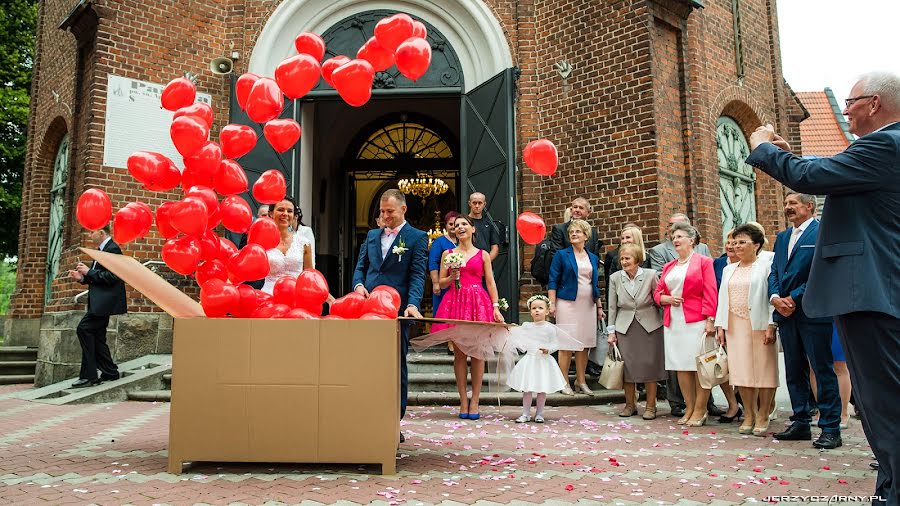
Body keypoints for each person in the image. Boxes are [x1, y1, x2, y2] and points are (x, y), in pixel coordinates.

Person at [747, 71, 900, 501]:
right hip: (876, 293)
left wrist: (762, 147)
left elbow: (815, 178)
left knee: (885, 406)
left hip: (873, 294)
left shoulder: (886, 143)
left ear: (874, 103)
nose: (846, 109)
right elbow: (830, 171)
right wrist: (789, 155)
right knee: (878, 406)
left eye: (851, 102)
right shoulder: (883, 150)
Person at [763, 192, 843, 448]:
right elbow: (774, 270)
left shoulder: (822, 232)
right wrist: (775, 297)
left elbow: (823, 273)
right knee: (794, 370)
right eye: (785, 204)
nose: (788, 207)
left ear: (810, 206)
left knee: (821, 370)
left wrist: (793, 298)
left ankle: (831, 427)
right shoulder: (783, 237)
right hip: (785, 314)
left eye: (793, 203)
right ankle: (800, 422)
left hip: (812, 312)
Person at [353, 189, 428, 441]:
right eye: (382, 212)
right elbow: (361, 267)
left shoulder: (417, 238)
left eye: (389, 212)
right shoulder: (372, 235)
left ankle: (395, 421)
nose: (384, 216)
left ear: (403, 210)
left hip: (397, 311)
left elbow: (418, 274)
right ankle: (367, 417)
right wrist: (358, 286)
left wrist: (413, 303)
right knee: (366, 363)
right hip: (368, 309)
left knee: (396, 365)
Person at [432, 215, 505, 419]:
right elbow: (441, 283)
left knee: (478, 354)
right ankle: (463, 400)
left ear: (473, 230)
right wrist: (451, 277)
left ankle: (475, 401)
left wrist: (496, 307)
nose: (460, 227)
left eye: (464, 224)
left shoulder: (483, 255)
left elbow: (490, 283)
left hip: (478, 303)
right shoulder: (448, 254)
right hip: (455, 302)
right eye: (456, 226)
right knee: (460, 354)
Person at [648, 213, 719, 418]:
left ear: (691, 240)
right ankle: (689, 408)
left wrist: (710, 319)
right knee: (681, 366)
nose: (675, 240)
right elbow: (657, 291)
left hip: (696, 321)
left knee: (698, 367)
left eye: (679, 236)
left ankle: (700, 409)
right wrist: (664, 299)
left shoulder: (703, 262)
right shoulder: (669, 266)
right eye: (673, 236)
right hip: (674, 322)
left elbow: (710, 292)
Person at [714, 224, 778, 436]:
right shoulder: (728, 268)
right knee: (741, 372)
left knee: (764, 370)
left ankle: (763, 414)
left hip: (759, 323)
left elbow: (772, 298)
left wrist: (772, 323)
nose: (736, 246)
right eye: (734, 242)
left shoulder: (767, 265)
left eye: (742, 242)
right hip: (735, 324)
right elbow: (723, 300)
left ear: (757, 245)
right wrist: (721, 326)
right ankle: (749, 413)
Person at [606, 243, 665, 419]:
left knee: (650, 366)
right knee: (628, 368)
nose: (624, 262)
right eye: (622, 259)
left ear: (637, 259)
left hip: (649, 325)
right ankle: (630, 405)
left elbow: (658, 300)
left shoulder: (651, 275)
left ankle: (651, 406)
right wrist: (611, 331)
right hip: (625, 326)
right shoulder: (615, 278)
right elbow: (612, 306)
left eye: (627, 258)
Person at [507, 295, 583, 423]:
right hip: (530, 360)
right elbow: (521, 341)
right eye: (534, 308)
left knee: (542, 389)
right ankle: (525, 413)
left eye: (540, 308)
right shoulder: (527, 326)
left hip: (544, 361)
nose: (537, 310)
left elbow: (555, 343)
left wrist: (549, 349)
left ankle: (539, 414)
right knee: (527, 388)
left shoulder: (549, 328)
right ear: (530, 311)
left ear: (547, 311)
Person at [67, 225, 126, 388]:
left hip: (104, 303)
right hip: (99, 302)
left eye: (92, 232)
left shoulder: (112, 249)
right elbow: (98, 276)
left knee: (83, 329)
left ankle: (89, 376)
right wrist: (81, 278)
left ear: (102, 233)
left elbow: (114, 276)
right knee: (98, 337)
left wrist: (88, 272)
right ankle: (110, 372)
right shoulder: (102, 249)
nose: (90, 234)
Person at [548, 219, 602, 396]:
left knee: (584, 344)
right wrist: (552, 303)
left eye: (578, 231)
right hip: (567, 304)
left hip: (588, 305)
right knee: (566, 344)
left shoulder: (593, 257)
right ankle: (564, 382)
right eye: (571, 231)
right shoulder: (562, 255)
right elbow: (553, 280)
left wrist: (599, 306)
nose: (573, 234)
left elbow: (595, 284)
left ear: (586, 235)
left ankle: (581, 381)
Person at [261, 198, 314, 295]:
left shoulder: (304, 243)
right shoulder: (261, 241)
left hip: (296, 297)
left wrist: (331, 300)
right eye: (281, 210)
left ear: (294, 216)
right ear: (270, 214)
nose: (285, 214)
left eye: (289, 211)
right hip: (269, 296)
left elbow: (310, 277)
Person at [428, 211, 460, 316]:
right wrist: (436, 283)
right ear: (445, 225)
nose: (453, 227)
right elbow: (433, 263)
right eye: (450, 224)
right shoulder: (439, 242)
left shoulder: (463, 241)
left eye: (456, 224)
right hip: (444, 284)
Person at [604, 224, 650, 294]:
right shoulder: (616, 260)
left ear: (636, 238)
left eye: (628, 237)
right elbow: (609, 287)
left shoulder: (647, 258)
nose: (624, 241)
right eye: (622, 238)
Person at [467, 192, 500, 261]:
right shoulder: (463, 222)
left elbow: (495, 248)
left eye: (480, 203)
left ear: (484, 204)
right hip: (468, 263)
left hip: (486, 266)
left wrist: (486, 263)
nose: (477, 206)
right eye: (474, 203)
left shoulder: (489, 224)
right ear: (469, 203)